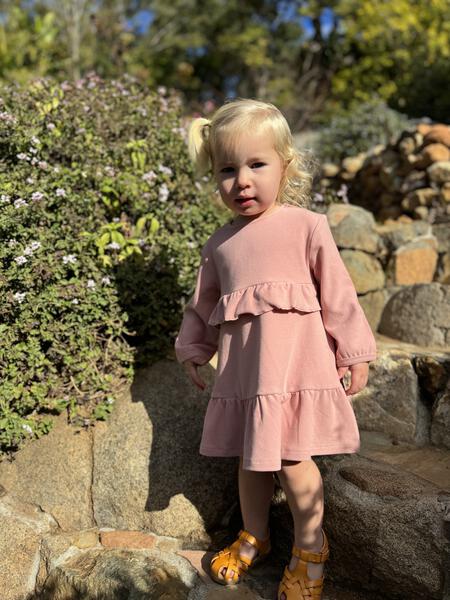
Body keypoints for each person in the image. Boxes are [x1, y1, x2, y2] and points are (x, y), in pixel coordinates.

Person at [174, 98, 377, 600]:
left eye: (256, 165)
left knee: (292, 460)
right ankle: (256, 535)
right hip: (247, 376)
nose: (241, 181)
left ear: (285, 166)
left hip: (293, 372)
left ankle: (311, 546)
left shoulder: (306, 226)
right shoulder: (220, 245)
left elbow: (338, 294)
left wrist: (352, 350)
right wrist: (193, 347)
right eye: (227, 170)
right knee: (251, 458)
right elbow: (200, 306)